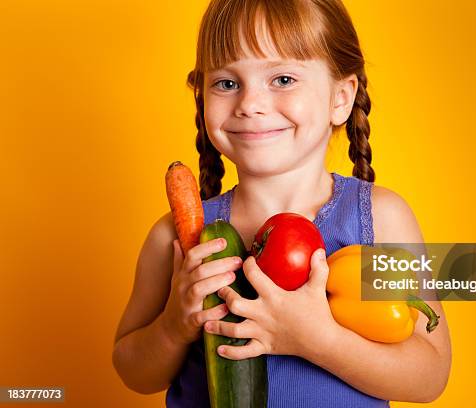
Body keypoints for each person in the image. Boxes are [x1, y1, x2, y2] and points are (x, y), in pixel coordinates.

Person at [112, 0, 451, 406]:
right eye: (227, 83)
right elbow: (131, 368)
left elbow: (429, 373)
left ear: (340, 98)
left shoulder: (382, 219)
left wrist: (318, 340)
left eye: (284, 79)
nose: (250, 103)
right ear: (202, 96)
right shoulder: (174, 237)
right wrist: (173, 325)